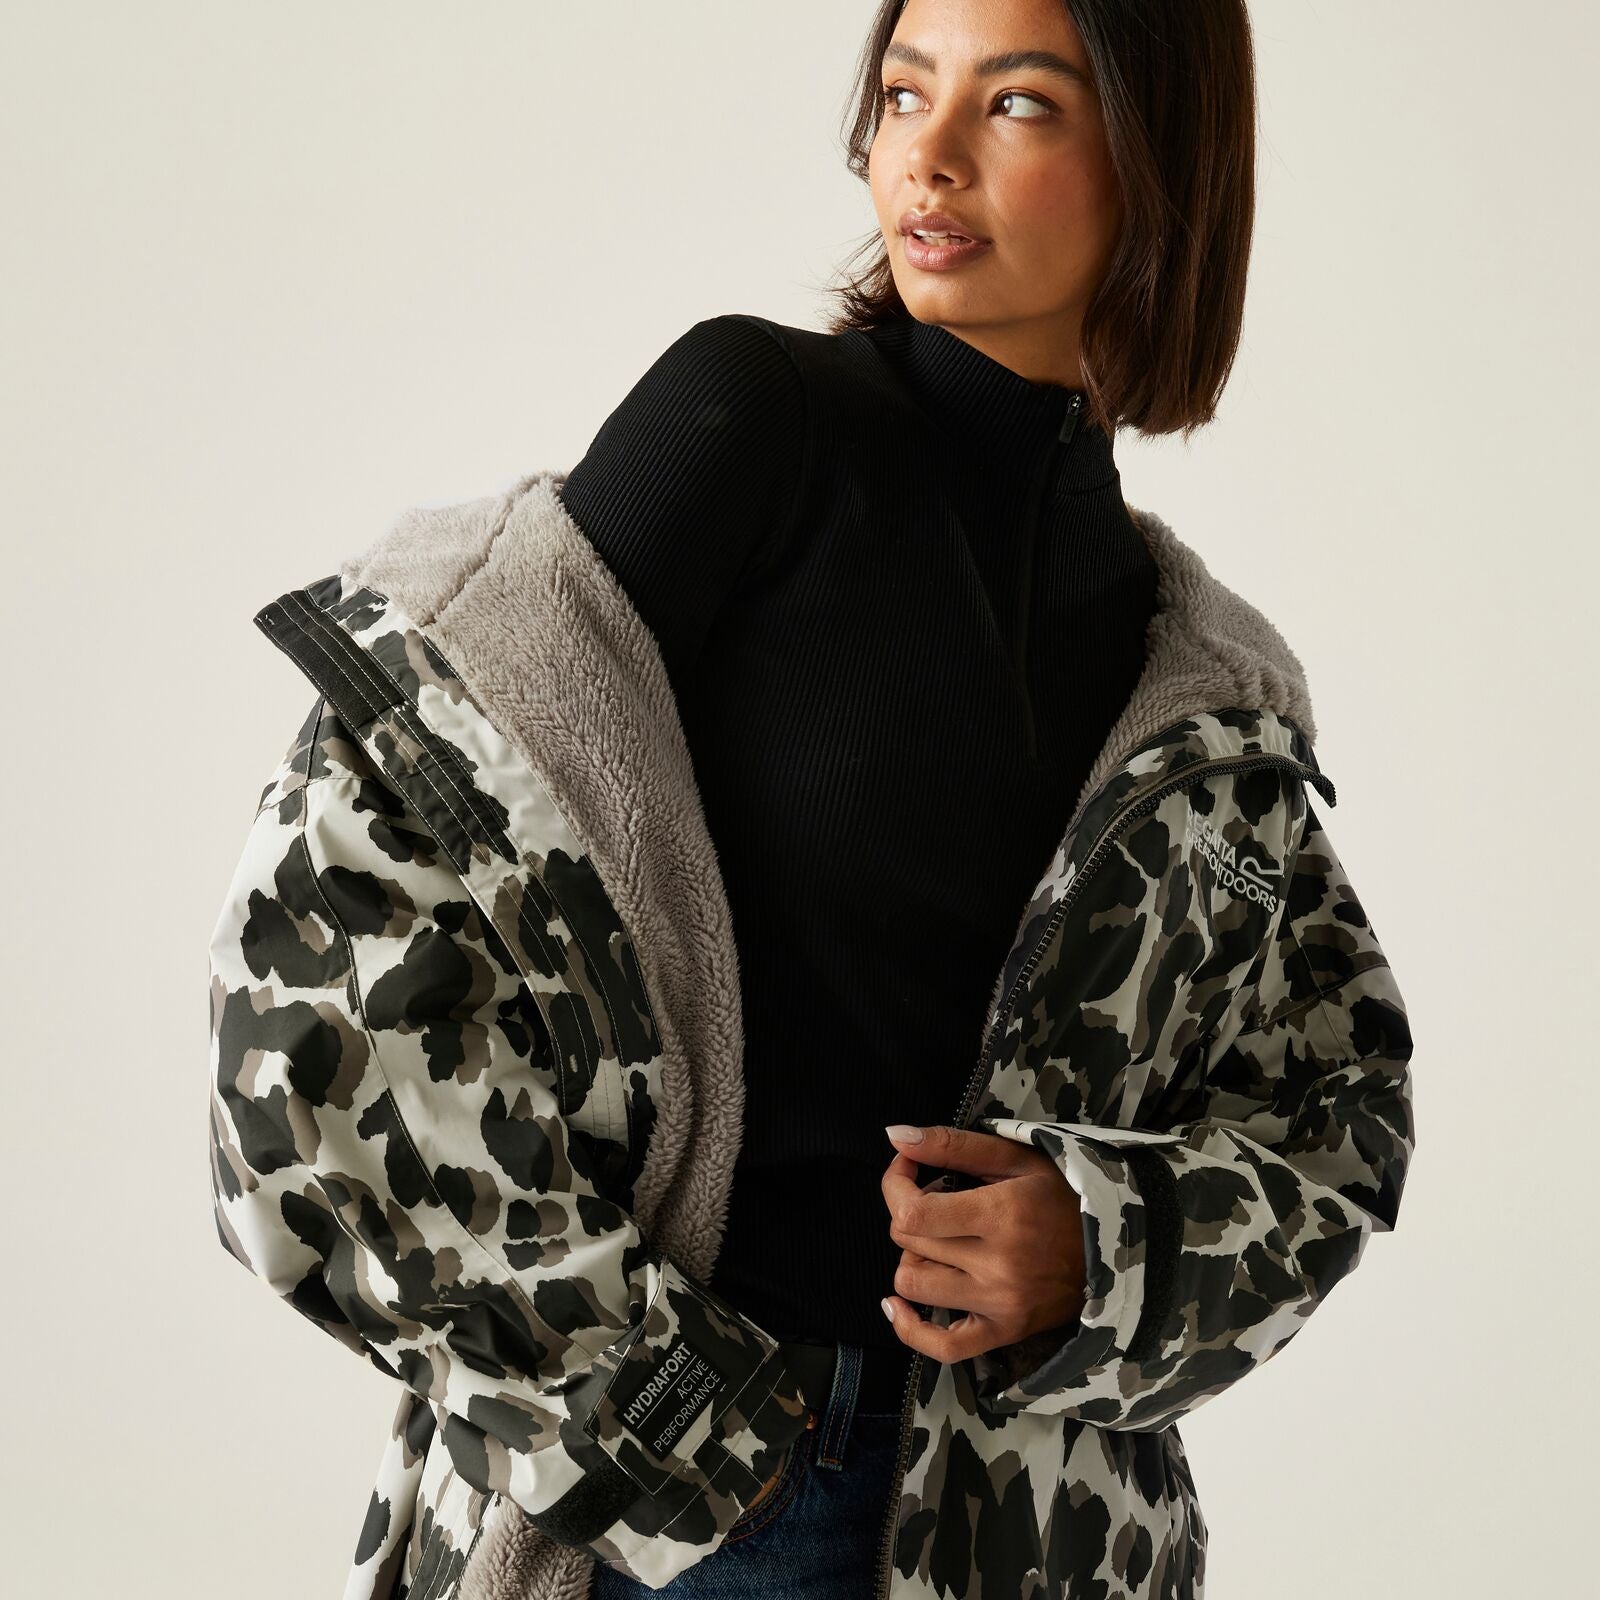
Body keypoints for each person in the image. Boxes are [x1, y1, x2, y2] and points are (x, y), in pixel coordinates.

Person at [206, 2, 1415, 1598]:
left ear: (1161, 158)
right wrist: (667, 1420)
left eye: (1020, 103)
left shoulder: (1204, 683)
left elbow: (1337, 1116)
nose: (929, 152)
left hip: (1045, 1541)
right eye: (905, 92)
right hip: (692, 1519)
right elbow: (320, 980)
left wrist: (1099, 1249)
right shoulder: (746, 427)